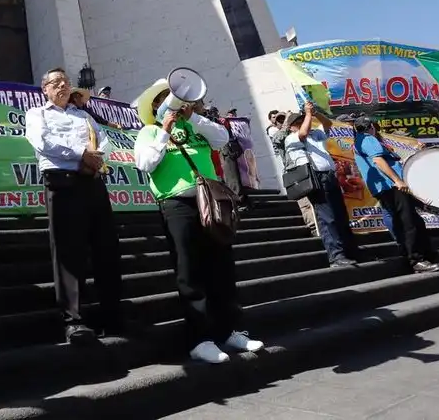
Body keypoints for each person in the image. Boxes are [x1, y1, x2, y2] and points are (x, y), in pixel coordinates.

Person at [133, 79, 263, 363]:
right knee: (189, 270)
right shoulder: (149, 132)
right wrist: (164, 132)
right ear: (155, 107)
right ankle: (200, 338)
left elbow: (222, 139)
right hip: (177, 203)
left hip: (210, 200)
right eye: (165, 99)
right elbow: (145, 164)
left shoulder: (195, 125)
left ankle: (229, 330)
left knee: (221, 266)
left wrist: (194, 117)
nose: (174, 103)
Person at [25, 68, 123, 344]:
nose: (63, 86)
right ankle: (74, 320)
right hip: (61, 182)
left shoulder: (84, 115)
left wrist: (94, 158)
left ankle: (112, 315)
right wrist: (80, 154)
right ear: (44, 89)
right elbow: (42, 142)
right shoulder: (37, 114)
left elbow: (103, 139)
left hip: (92, 181)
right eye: (56, 83)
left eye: (66, 82)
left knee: (106, 247)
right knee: (68, 251)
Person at [353, 116, 439, 273]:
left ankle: (429, 255)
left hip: (391, 186)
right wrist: (397, 180)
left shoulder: (364, 140)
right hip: (391, 186)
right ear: (371, 127)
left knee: (415, 221)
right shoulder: (368, 138)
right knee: (407, 223)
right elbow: (378, 161)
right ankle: (416, 260)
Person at [280, 104, 362, 267]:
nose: (305, 122)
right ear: (292, 127)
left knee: (341, 216)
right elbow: (302, 133)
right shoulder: (291, 138)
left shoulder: (316, 134)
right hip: (316, 178)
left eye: (304, 119)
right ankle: (336, 255)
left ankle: (350, 250)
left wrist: (316, 114)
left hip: (330, 176)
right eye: (300, 121)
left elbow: (328, 125)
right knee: (327, 218)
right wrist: (309, 114)